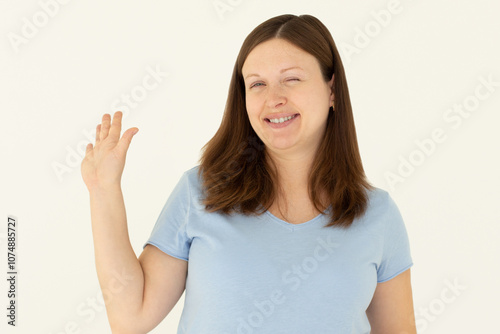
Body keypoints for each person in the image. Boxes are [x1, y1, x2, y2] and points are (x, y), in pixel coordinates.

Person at [81, 14, 416, 334]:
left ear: (332, 90)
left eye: (292, 79)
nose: (274, 99)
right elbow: (130, 316)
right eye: (257, 84)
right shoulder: (201, 192)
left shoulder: (378, 216)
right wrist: (103, 189)